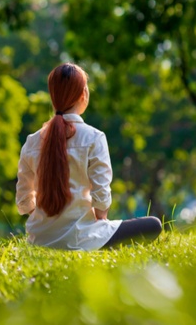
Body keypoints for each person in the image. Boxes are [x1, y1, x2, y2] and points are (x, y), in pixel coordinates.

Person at [16, 62, 162, 250]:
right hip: (84, 238)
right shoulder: (94, 137)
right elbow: (101, 202)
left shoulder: (31, 141)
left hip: (40, 239)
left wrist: (48, 222)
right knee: (153, 225)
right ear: (83, 95)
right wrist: (99, 219)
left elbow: (23, 201)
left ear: (53, 97)